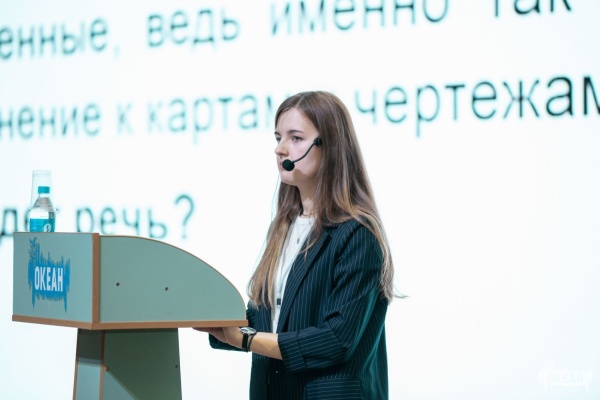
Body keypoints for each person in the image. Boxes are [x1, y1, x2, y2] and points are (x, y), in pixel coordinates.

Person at [196, 91, 396, 399]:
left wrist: (245, 339)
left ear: (329, 146)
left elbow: (336, 340)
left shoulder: (357, 232)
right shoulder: (283, 227)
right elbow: (273, 320)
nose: (280, 149)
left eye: (296, 138)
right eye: (278, 138)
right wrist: (216, 320)